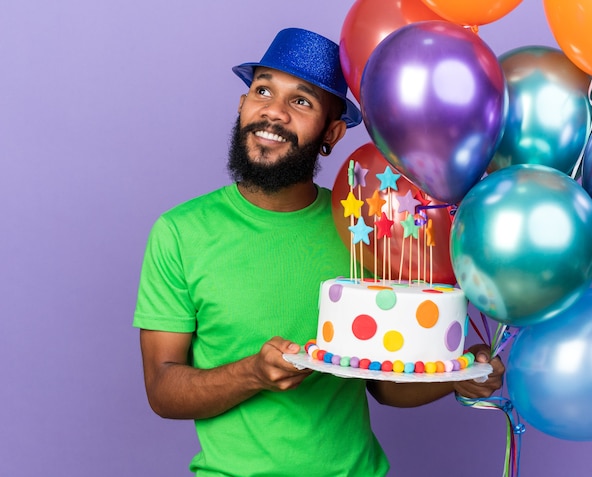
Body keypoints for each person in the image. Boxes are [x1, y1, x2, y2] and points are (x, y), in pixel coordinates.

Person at [133, 27, 505, 476]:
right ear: (241, 105)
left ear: (331, 132)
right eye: (263, 90)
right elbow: (162, 388)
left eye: (301, 101)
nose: (273, 112)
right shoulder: (180, 233)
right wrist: (253, 372)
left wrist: (456, 377)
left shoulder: (362, 227)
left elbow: (383, 385)